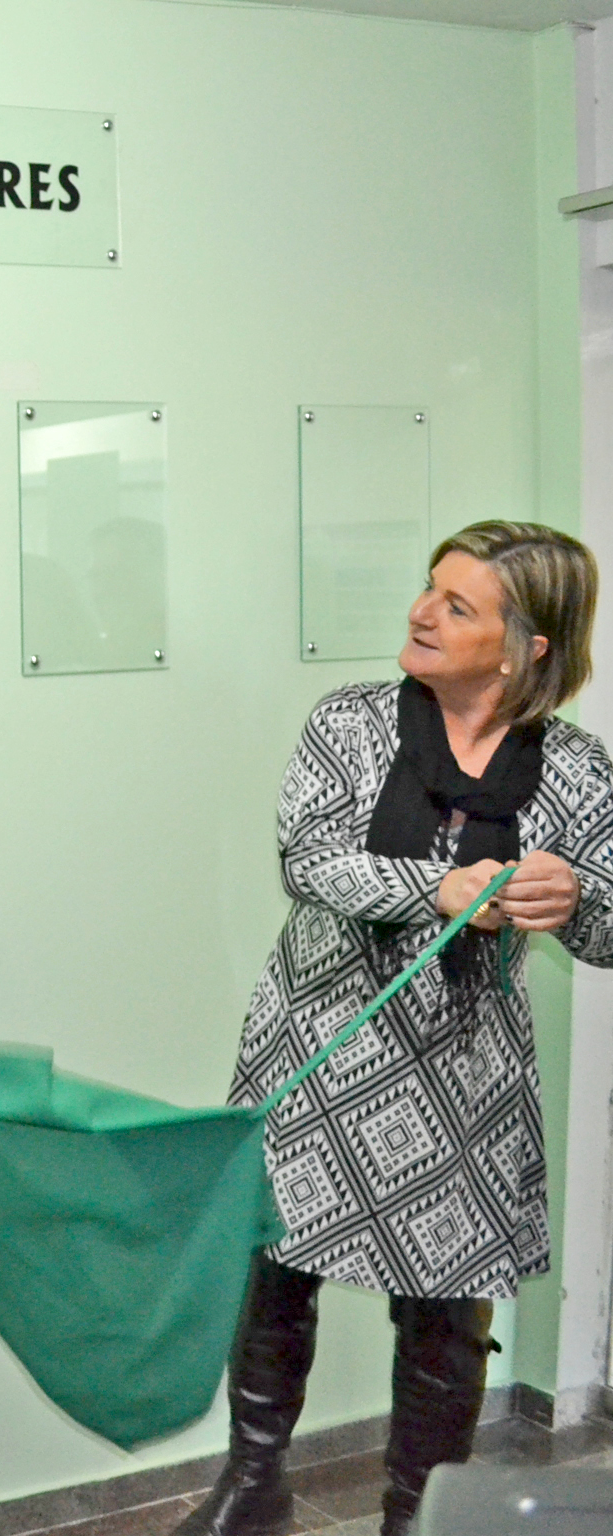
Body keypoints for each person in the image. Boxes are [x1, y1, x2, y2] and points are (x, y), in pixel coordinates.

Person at [181, 522, 613, 1536]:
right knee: (274, 1267)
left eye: (458, 606)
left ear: (527, 647)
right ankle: (254, 1488)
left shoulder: (579, 770)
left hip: (467, 1072)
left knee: (448, 1309)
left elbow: (608, 932)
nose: (421, 613)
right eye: (429, 590)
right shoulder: (351, 721)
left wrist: (575, 896)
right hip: (320, 1041)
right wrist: (440, 887)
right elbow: (308, 860)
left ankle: (418, 1518)